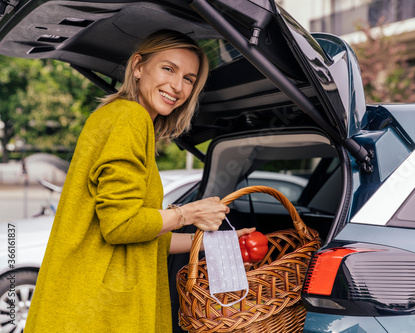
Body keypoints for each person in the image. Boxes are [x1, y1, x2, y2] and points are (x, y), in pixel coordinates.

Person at [25, 30, 255, 332]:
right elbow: (121, 226)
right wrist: (188, 213)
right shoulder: (129, 119)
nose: (177, 86)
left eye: (188, 78)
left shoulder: (120, 117)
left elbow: (140, 237)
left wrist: (215, 244)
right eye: (168, 68)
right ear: (138, 67)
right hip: (99, 312)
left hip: (84, 305)